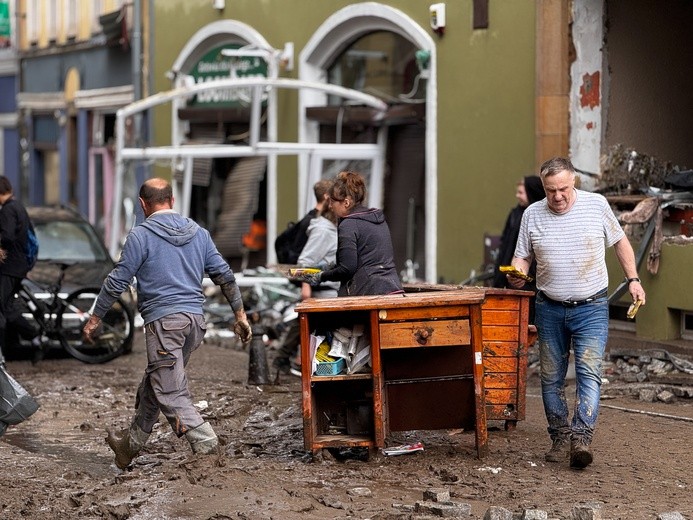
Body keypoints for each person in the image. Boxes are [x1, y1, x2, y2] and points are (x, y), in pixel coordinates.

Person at [83, 178, 252, 470]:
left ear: (142, 204)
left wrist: (95, 317)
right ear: (172, 201)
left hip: (164, 324)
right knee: (157, 381)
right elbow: (224, 275)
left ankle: (206, 442)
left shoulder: (140, 236)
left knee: (170, 390)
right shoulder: (199, 233)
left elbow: (117, 281)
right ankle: (129, 446)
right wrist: (240, 315)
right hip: (194, 324)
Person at [507, 157, 646, 470]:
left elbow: (621, 242)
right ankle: (559, 435)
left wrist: (633, 279)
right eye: (551, 190)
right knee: (550, 376)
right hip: (549, 307)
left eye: (564, 189)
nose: (557, 196)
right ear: (543, 188)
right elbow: (522, 258)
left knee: (589, 373)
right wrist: (516, 274)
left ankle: (581, 437)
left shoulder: (596, 206)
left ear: (574, 184)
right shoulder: (532, 214)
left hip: (592, 306)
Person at [307, 170, 403, 297]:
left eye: (332, 201)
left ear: (346, 202)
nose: (330, 206)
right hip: (392, 290)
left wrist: (321, 276)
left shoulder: (349, 225)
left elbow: (347, 269)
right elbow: (366, 259)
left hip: (369, 296)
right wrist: (330, 267)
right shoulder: (377, 219)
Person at [272, 203, 339, 377]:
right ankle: (297, 362)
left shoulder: (327, 229)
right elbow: (305, 262)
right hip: (324, 288)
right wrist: (306, 286)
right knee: (312, 324)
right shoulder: (323, 231)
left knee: (306, 323)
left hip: (325, 286)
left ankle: (285, 358)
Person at [0, 177, 42, 362]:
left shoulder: (8, 210)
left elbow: (7, 237)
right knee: (8, 305)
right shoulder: (18, 206)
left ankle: (33, 336)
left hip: (9, 266)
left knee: (3, 306)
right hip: (19, 265)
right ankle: (19, 342)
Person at [492, 175, 545, 290]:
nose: (517, 196)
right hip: (511, 276)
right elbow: (505, 245)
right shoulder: (515, 214)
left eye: (521, 193)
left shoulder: (539, 217)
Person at [274, 179, 333, 265]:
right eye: (333, 196)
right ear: (326, 196)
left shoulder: (312, 219)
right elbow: (300, 251)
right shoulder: (314, 222)